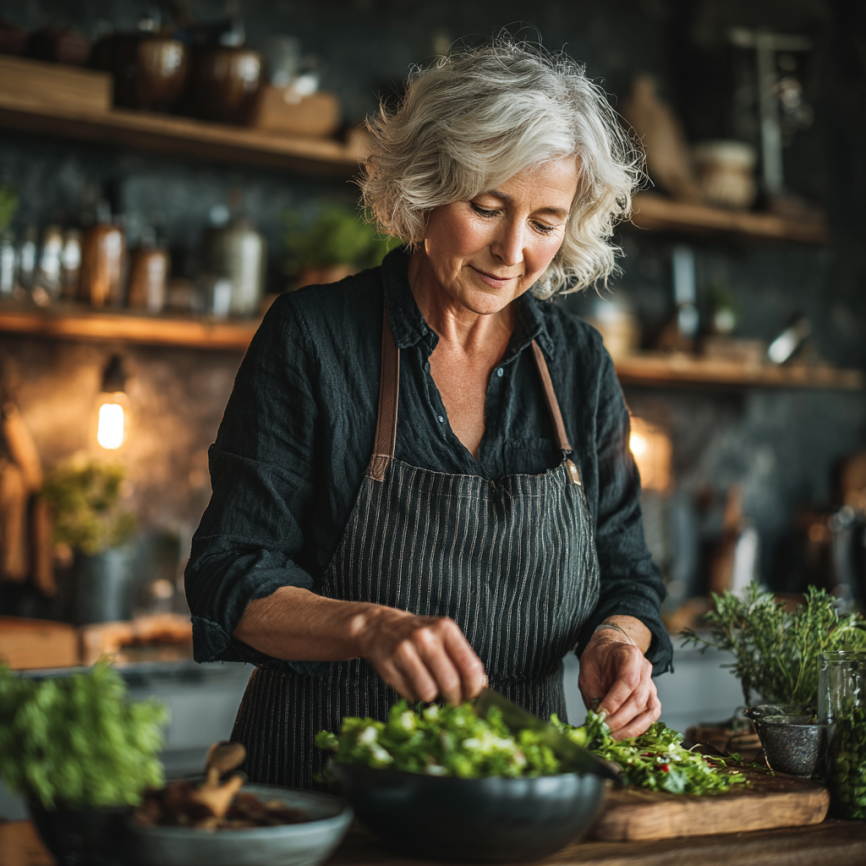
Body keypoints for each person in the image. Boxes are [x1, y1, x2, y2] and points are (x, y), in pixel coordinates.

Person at [185, 39, 673, 790]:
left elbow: (627, 572)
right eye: (487, 207)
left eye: (545, 221)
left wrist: (616, 639)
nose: (513, 250)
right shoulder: (315, 338)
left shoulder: (577, 366)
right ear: (427, 187)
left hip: (513, 793)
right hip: (320, 789)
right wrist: (368, 627)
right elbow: (232, 573)